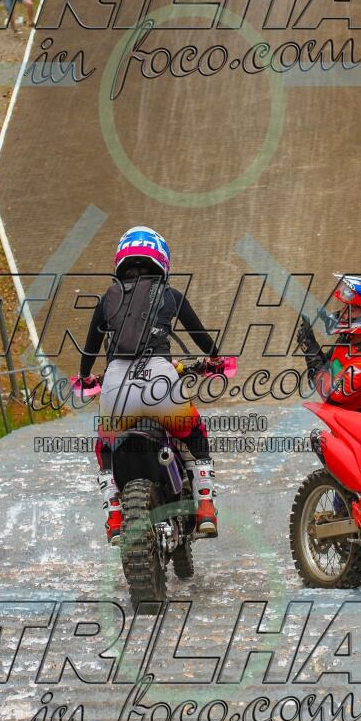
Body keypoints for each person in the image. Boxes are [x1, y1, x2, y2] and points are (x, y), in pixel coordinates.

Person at [75, 227, 222, 545]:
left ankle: (115, 517)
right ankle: (206, 508)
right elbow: (199, 335)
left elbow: (89, 351)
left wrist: (86, 377)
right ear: (161, 260)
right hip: (160, 380)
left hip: (116, 384)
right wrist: (214, 359)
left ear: (121, 259)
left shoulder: (108, 298)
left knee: (105, 447)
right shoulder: (170, 295)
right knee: (195, 433)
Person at [296, 277, 361, 427]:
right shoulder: (350, 339)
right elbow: (327, 368)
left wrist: (310, 351)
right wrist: (311, 344)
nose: (343, 312)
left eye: (352, 309)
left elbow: (331, 395)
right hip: (351, 422)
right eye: (346, 306)